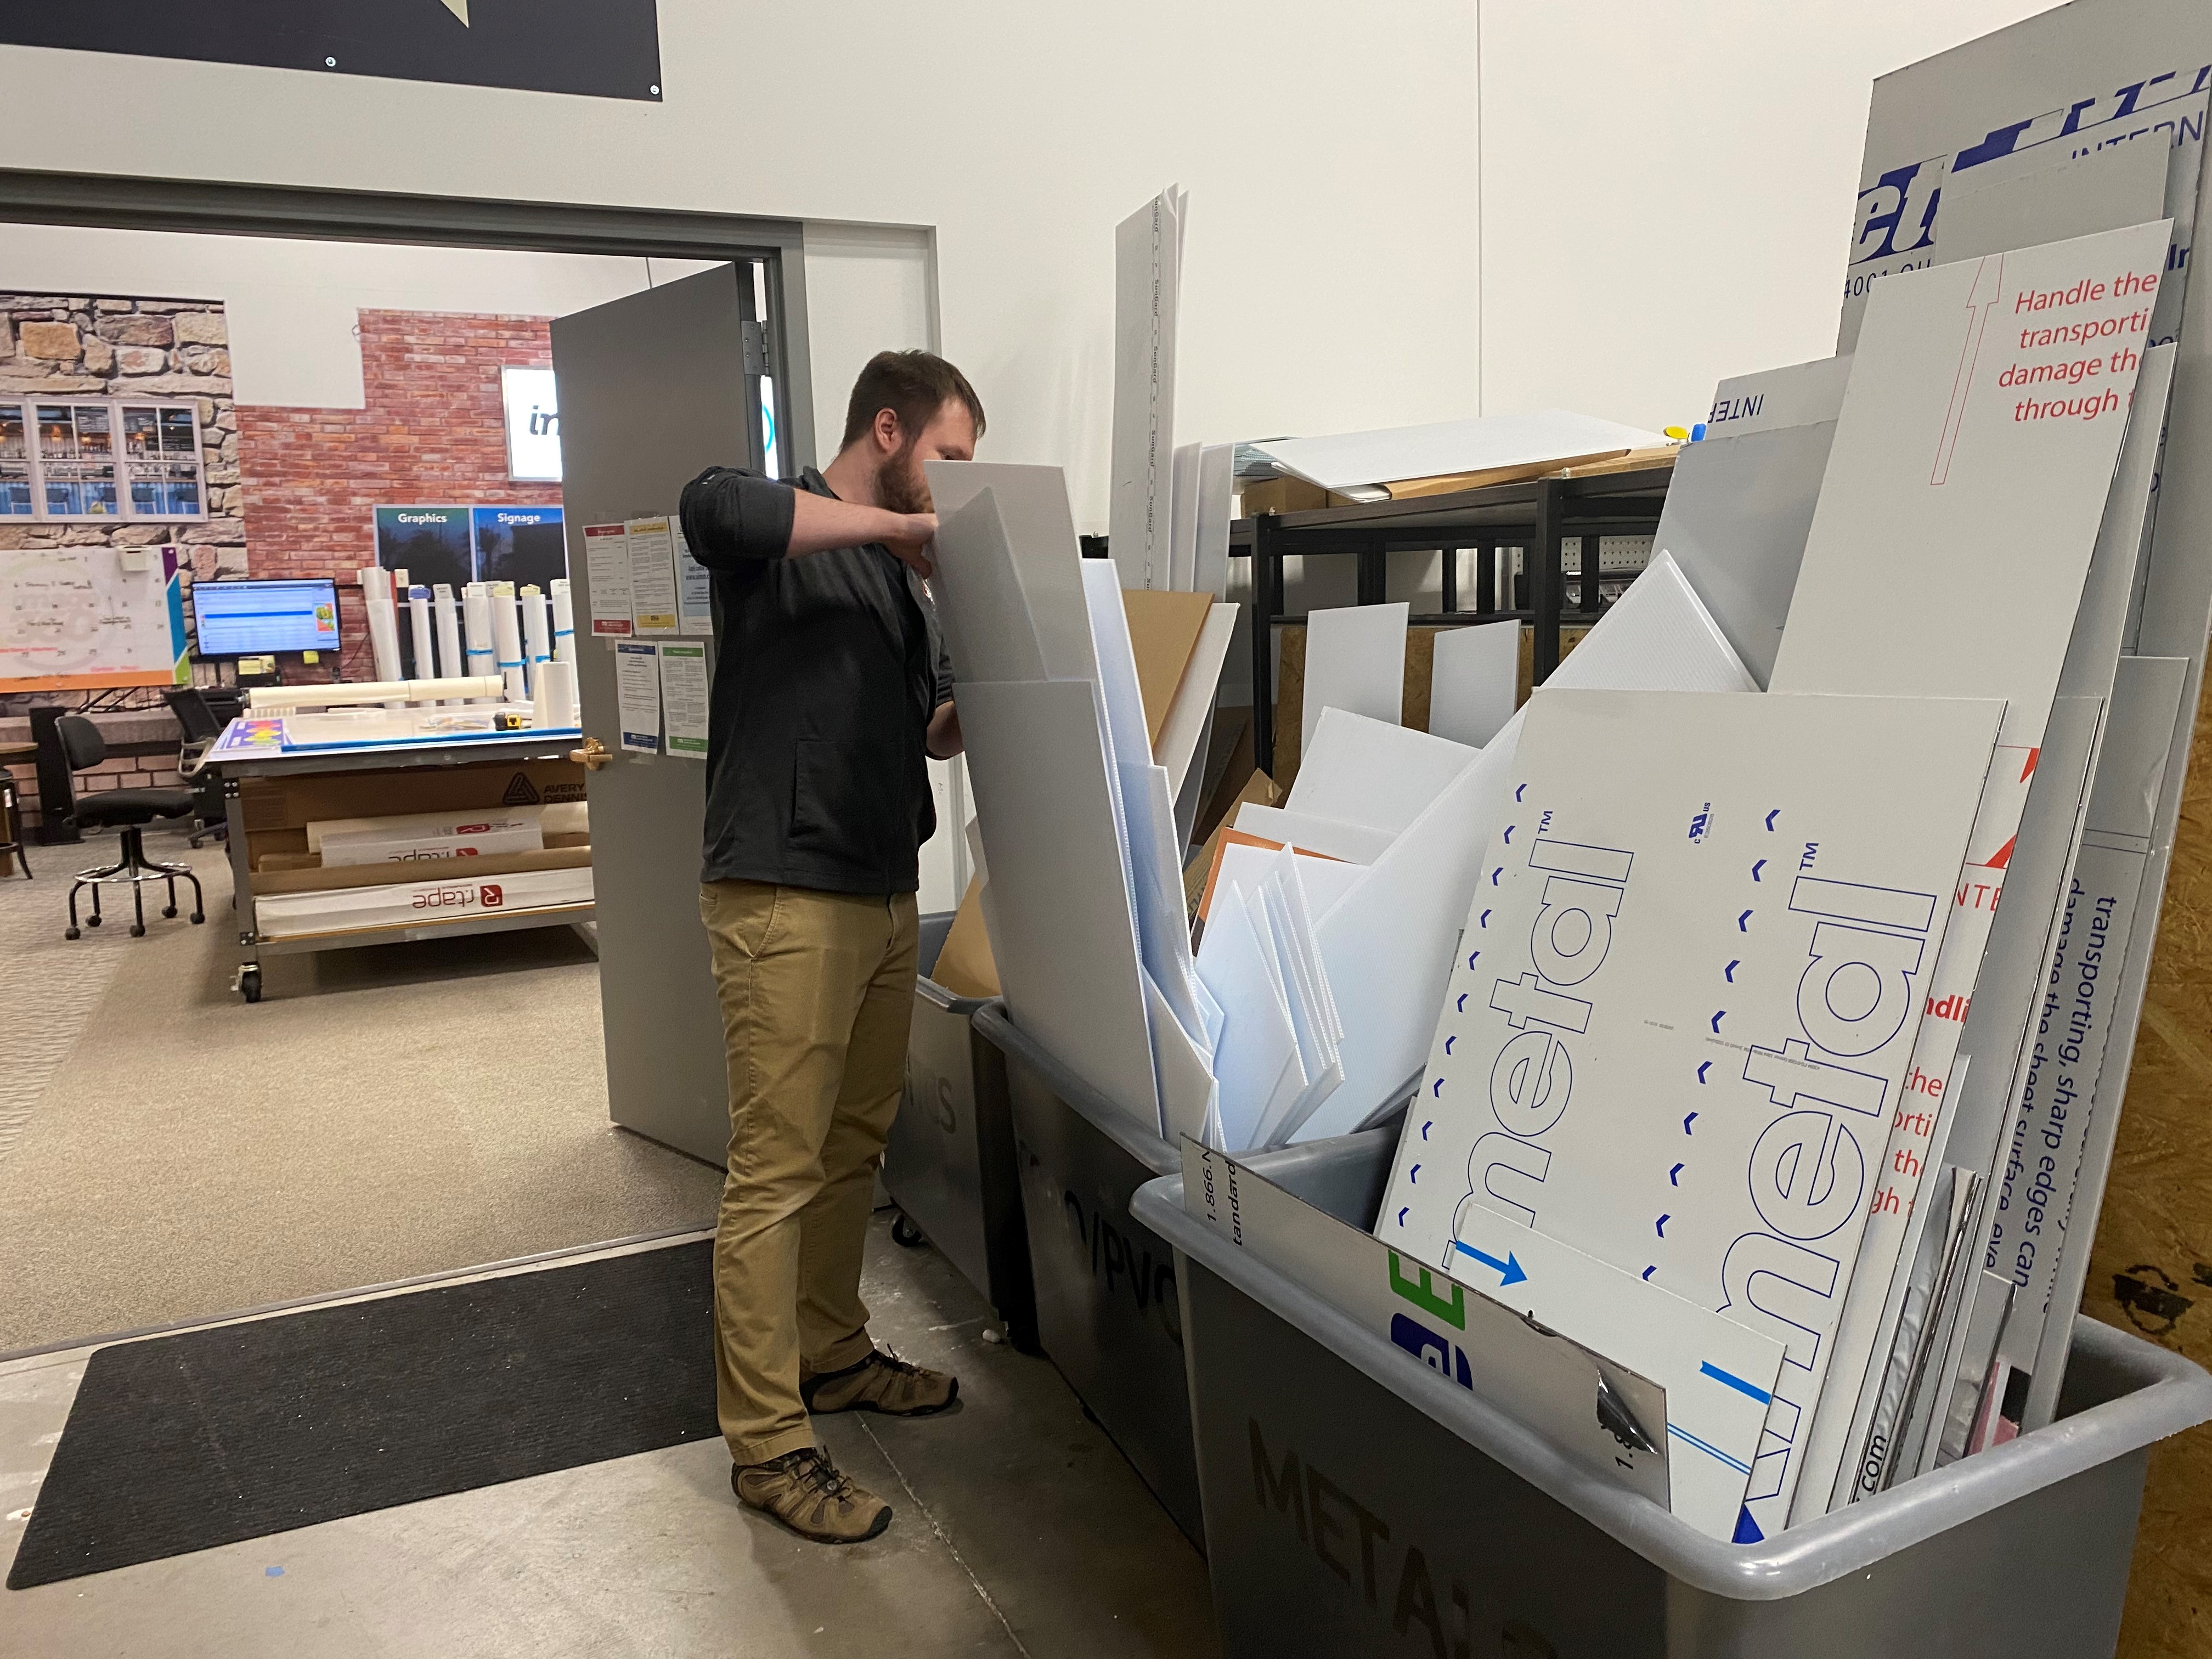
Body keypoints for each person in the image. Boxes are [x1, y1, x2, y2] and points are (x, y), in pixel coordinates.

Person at [678, 350, 981, 1544]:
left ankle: (834, 1355)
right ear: (891, 429)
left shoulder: (904, 584)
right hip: (784, 891)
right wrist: (892, 537)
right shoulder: (779, 529)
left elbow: (933, 730)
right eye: (950, 460)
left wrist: (1006, 687)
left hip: (880, 888)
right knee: (776, 1168)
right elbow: (712, 506)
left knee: (854, 1147)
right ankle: (767, 1444)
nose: (955, 489)